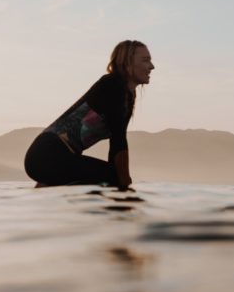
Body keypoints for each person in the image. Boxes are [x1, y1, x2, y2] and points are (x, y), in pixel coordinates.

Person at [24, 40, 154, 190]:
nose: (151, 66)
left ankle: (45, 191)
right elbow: (119, 140)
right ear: (126, 62)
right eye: (145, 60)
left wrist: (121, 183)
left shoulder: (127, 95)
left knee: (112, 176)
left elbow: (116, 147)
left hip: (51, 157)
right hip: (45, 154)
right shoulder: (112, 85)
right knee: (113, 176)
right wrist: (125, 186)